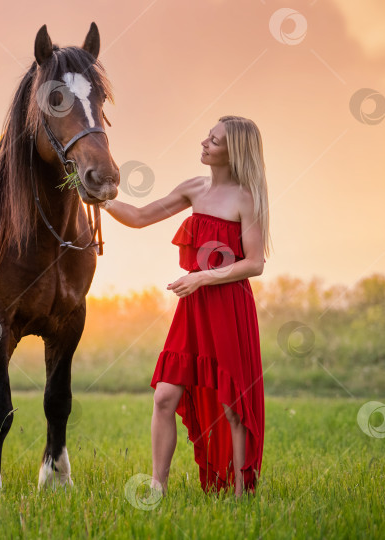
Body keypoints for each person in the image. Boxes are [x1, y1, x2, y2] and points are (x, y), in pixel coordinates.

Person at [100, 115, 271, 497]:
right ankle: (157, 486)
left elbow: (255, 263)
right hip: (192, 309)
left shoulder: (247, 199)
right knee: (164, 395)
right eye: (207, 137)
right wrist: (104, 200)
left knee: (232, 404)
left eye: (214, 141)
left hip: (228, 306)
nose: (204, 144)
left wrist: (200, 278)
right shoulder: (194, 188)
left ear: (234, 151)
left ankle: (243, 495)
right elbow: (142, 217)